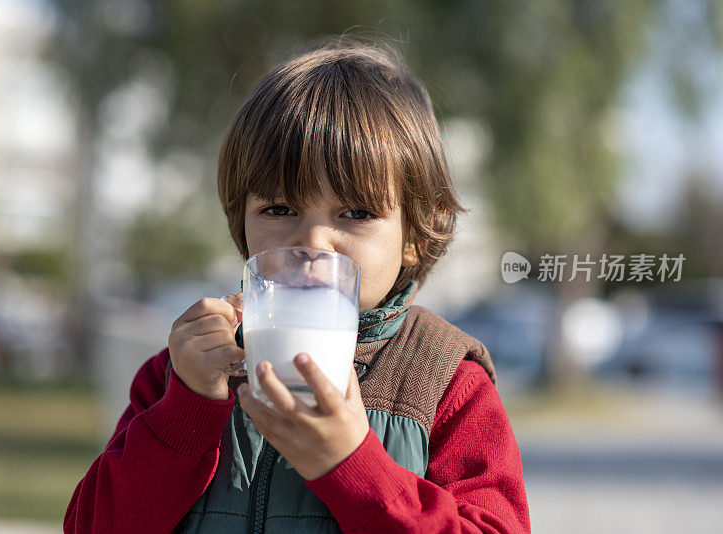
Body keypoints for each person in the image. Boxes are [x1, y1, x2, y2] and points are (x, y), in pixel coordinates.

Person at [64, 36, 531, 534]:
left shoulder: (445, 384)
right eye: (279, 210)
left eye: (356, 212)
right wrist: (186, 412)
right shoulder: (183, 373)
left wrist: (353, 465)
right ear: (241, 222)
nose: (313, 245)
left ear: (413, 235)